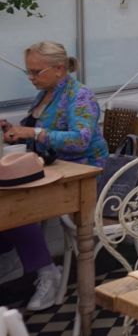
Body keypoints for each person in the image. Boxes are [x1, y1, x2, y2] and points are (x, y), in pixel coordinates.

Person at [0, 42, 108, 311]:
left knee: (18, 206)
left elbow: (81, 140)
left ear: (59, 69)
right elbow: (38, 130)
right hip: (52, 167)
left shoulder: (80, 95)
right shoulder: (45, 94)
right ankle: (12, 257)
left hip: (82, 173)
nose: (31, 77)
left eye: (36, 72)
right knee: (6, 199)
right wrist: (15, 130)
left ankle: (47, 273)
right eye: (28, 72)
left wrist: (33, 133)